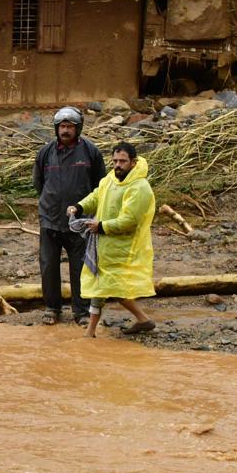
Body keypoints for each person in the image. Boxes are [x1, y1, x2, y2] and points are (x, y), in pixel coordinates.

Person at [69, 140, 158, 339]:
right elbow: (96, 196)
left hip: (123, 248)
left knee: (111, 287)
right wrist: (79, 207)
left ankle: (91, 332)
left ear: (133, 162)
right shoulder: (111, 178)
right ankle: (138, 321)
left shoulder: (139, 187)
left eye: (122, 161)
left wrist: (101, 226)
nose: (117, 165)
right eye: (115, 161)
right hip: (104, 246)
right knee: (102, 286)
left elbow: (129, 221)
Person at [33, 105, 106, 326]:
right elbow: (39, 184)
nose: (65, 130)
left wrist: (88, 212)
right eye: (62, 126)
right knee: (48, 266)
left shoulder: (91, 152)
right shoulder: (45, 153)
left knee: (80, 267)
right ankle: (52, 308)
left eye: (70, 127)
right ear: (56, 128)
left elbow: (100, 186)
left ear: (78, 128)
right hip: (50, 220)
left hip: (79, 224)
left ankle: (81, 312)